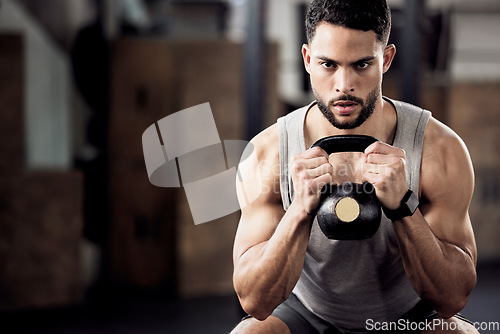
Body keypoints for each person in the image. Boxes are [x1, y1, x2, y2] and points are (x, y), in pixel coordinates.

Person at [231, 0, 479, 333]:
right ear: (307, 59)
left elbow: (453, 299)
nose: (343, 84)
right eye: (328, 64)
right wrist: (299, 211)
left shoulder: (440, 149)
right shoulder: (267, 153)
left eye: (361, 64)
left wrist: (404, 206)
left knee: (459, 332)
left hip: (407, 319)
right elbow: (254, 301)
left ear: (386, 60)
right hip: (309, 316)